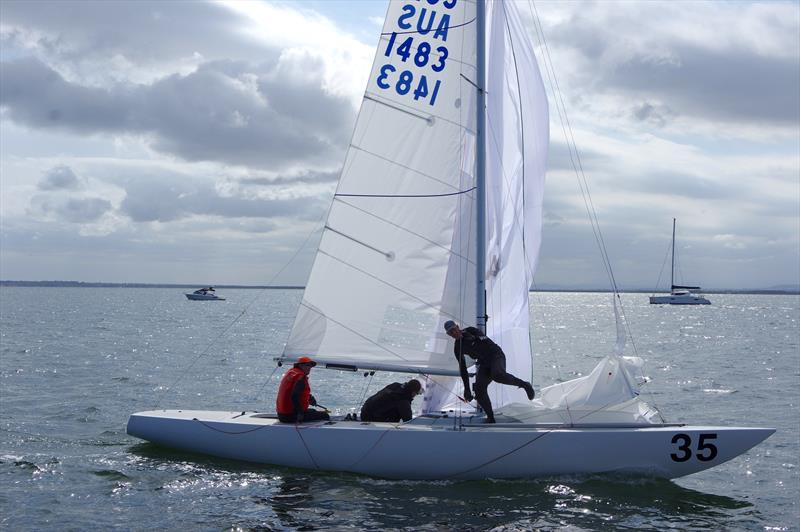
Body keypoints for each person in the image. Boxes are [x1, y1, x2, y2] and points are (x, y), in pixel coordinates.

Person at [444, 320, 535, 424]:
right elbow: (463, 369)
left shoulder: (470, 331)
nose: (454, 333)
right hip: (484, 363)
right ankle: (490, 418)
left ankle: (525, 385)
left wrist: (472, 337)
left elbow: (482, 337)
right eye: (451, 332)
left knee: (497, 375)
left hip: (495, 355)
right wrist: (467, 389)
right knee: (479, 390)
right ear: (449, 335)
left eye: (454, 330)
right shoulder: (457, 348)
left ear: (457, 327)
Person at [276, 356, 330, 423]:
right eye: (307, 365)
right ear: (300, 365)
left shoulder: (291, 373)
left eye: (310, 366)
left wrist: (309, 398)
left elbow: (294, 391)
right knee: (325, 415)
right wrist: (300, 413)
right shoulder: (300, 378)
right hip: (291, 416)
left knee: (313, 411)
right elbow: (294, 396)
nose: (309, 368)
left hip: (282, 415)